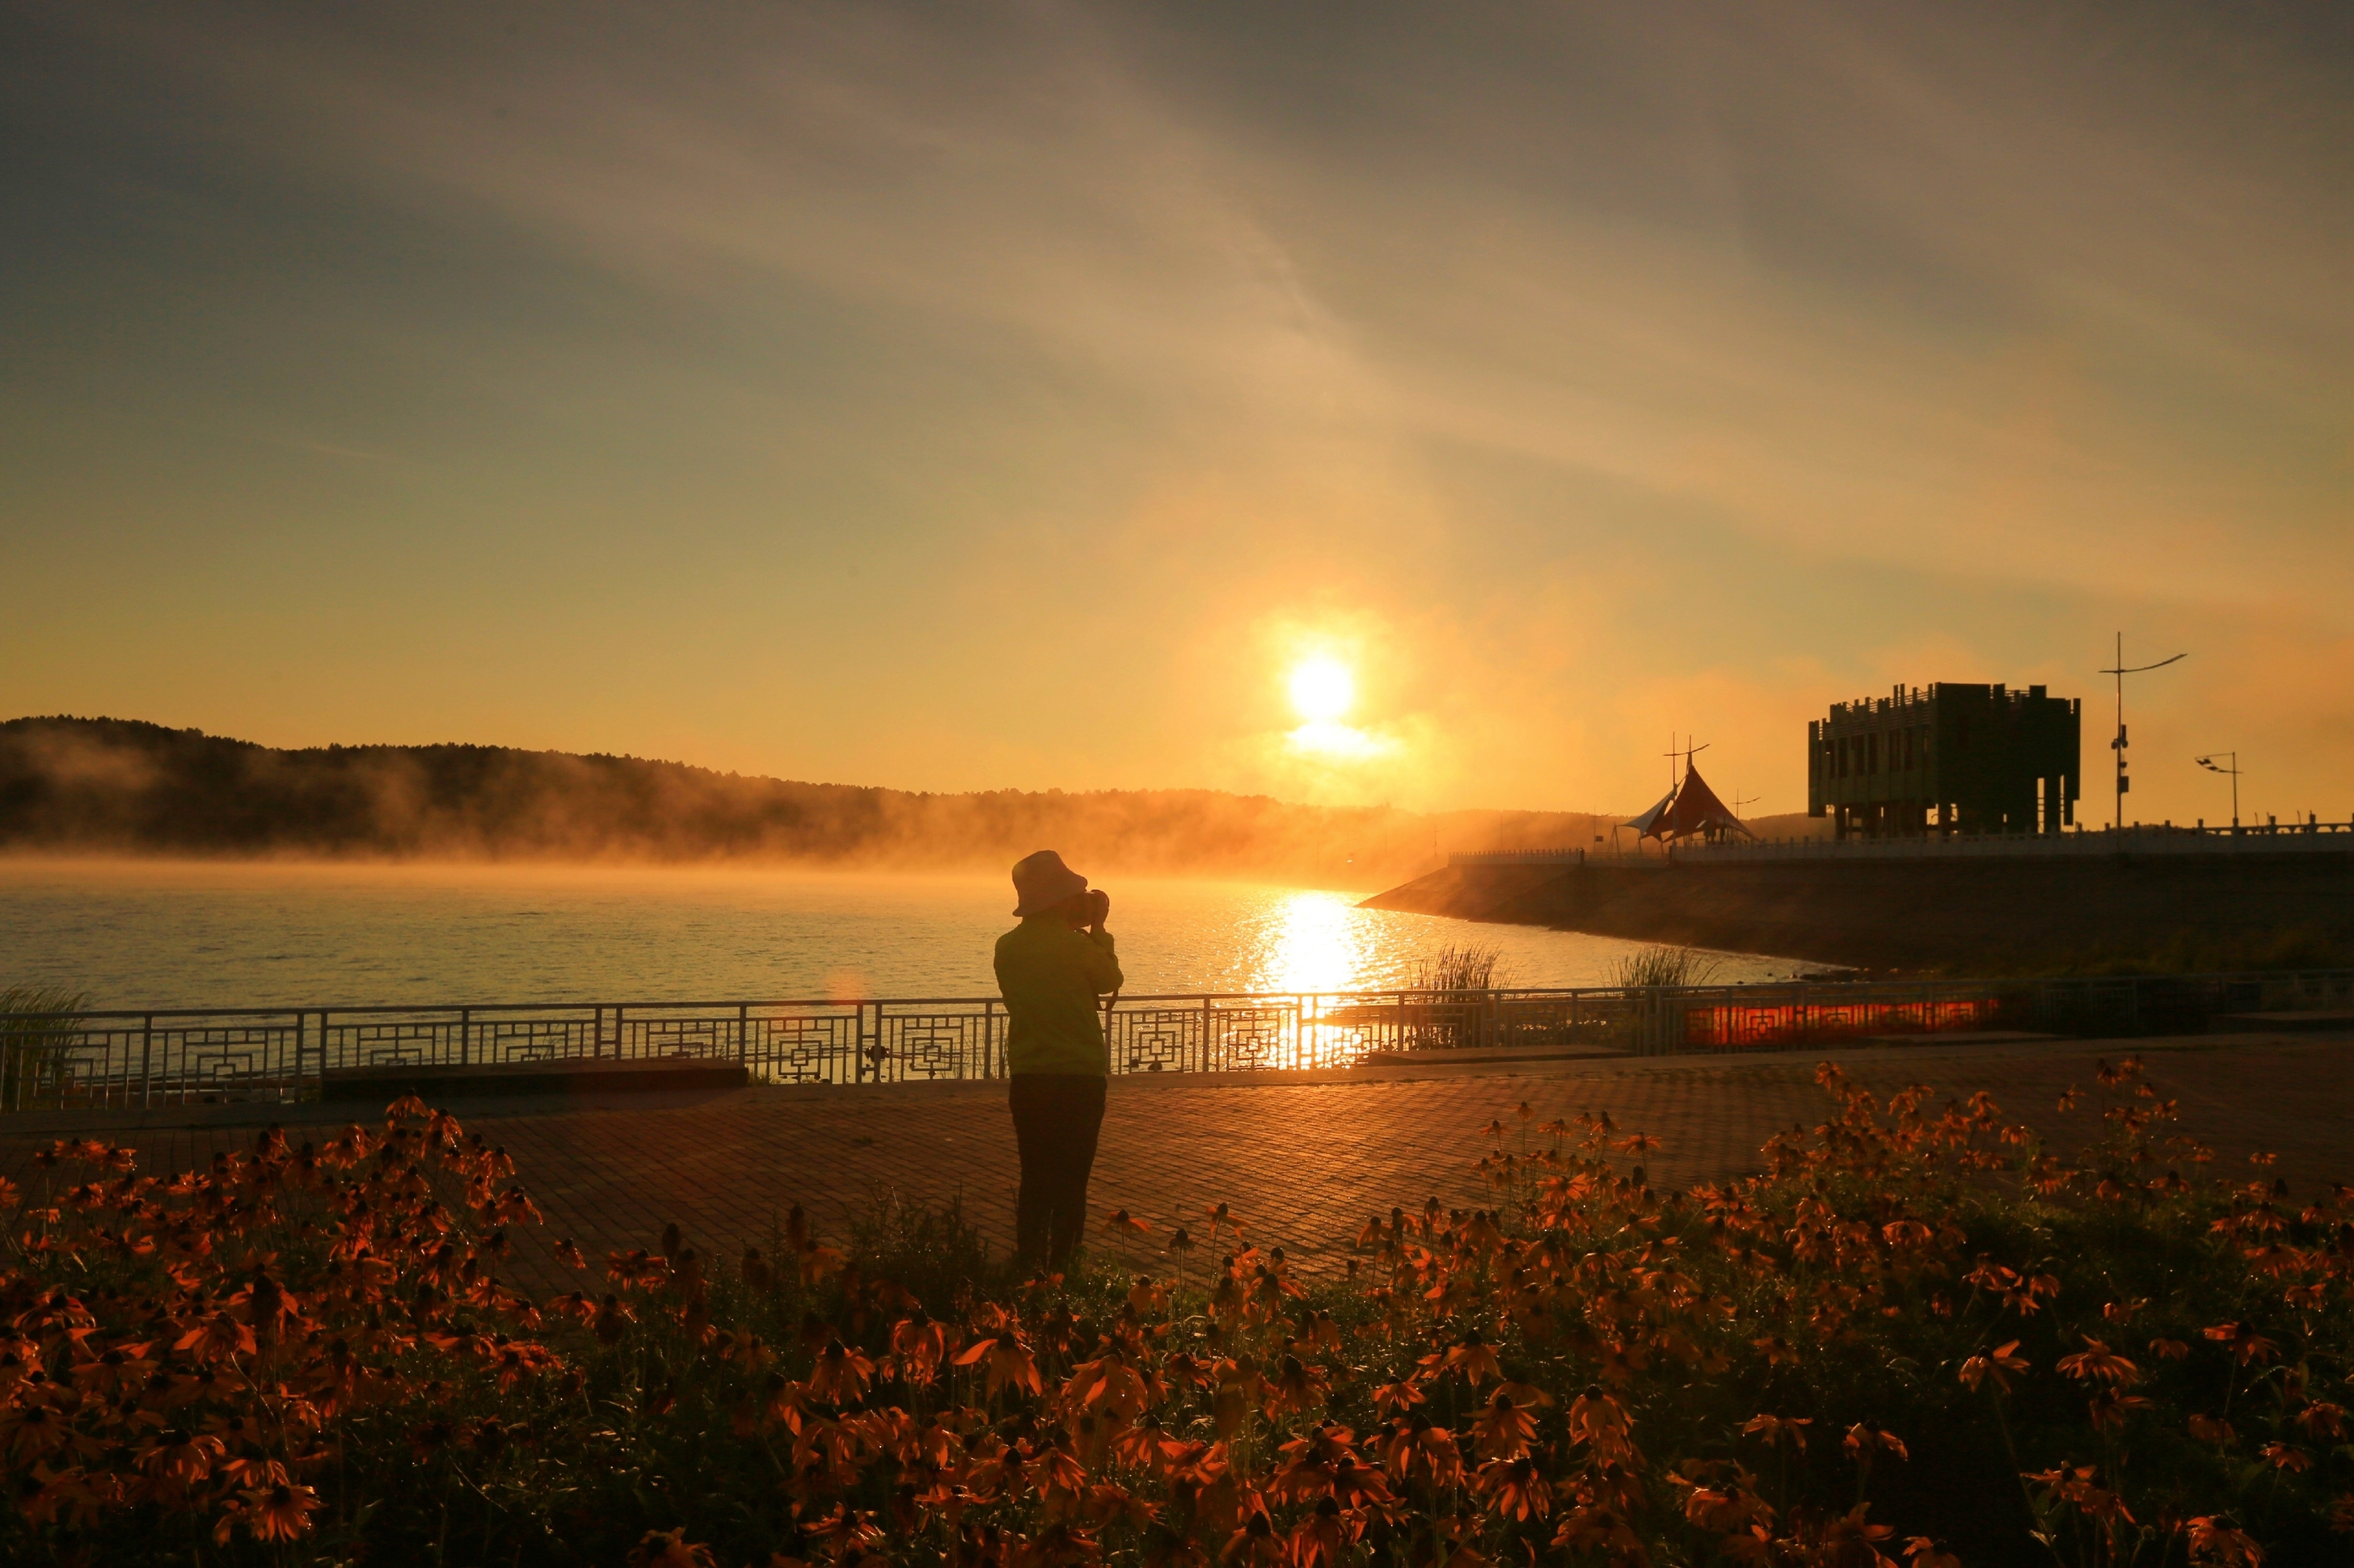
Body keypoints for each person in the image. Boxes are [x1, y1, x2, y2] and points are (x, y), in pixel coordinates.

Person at [993, 849, 1122, 1269]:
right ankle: (1063, 1269)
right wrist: (1099, 929)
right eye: (1075, 894)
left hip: (1029, 1076)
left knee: (1035, 1177)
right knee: (1071, 1182)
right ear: (1061, 899)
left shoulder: (1007, 947)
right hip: (1079, 1079)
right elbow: (1110, 980)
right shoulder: (1076, 947)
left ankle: (1028, 1264)